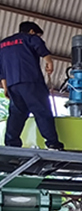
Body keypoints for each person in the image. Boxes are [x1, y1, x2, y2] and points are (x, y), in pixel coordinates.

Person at [0, 21, 63, 149]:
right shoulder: (30, 38)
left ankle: (11, 145)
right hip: (31, 81)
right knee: (42, 110)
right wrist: (49, 61)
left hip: (13, 85)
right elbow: (40, 47)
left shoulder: (3, 44)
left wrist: (6, 87)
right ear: (32, 31)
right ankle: (52, 143)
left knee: (17, 114)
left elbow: (1, 70)